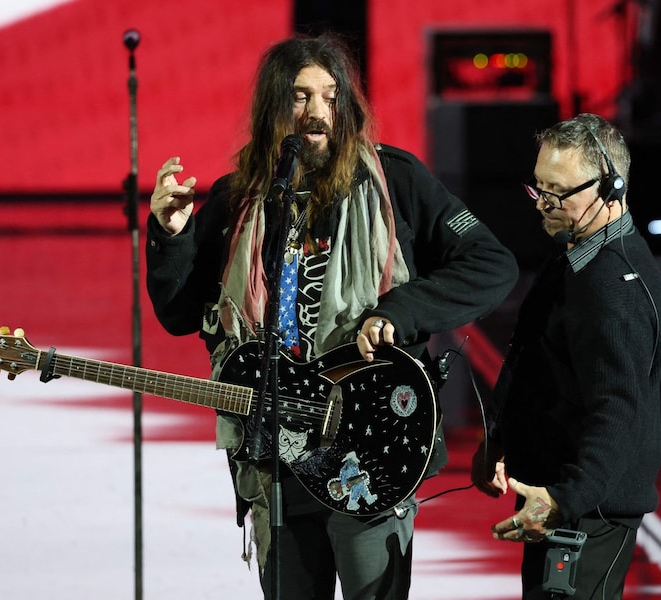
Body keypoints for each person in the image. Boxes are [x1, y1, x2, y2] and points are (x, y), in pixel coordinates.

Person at [145, 33, 518, 600]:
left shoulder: (396, 181)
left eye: (330, 95)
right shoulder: (240, 199)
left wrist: (402, 309)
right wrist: (171, 238)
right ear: (274, 108)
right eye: (299, 97)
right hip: (278, 457)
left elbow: (492, 264)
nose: (317, 113)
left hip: (371, 447)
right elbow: (178, 314)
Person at [470, 113, 661, 599]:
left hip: (588, 512)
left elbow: (620, 411)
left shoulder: (613, 289)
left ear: (612, 188)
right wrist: (500, 436)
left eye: (558, 192)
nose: (543, 204)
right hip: (568, 501)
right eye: (538, 187)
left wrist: (564, 500)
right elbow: (532, 354)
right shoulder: (578, 256)